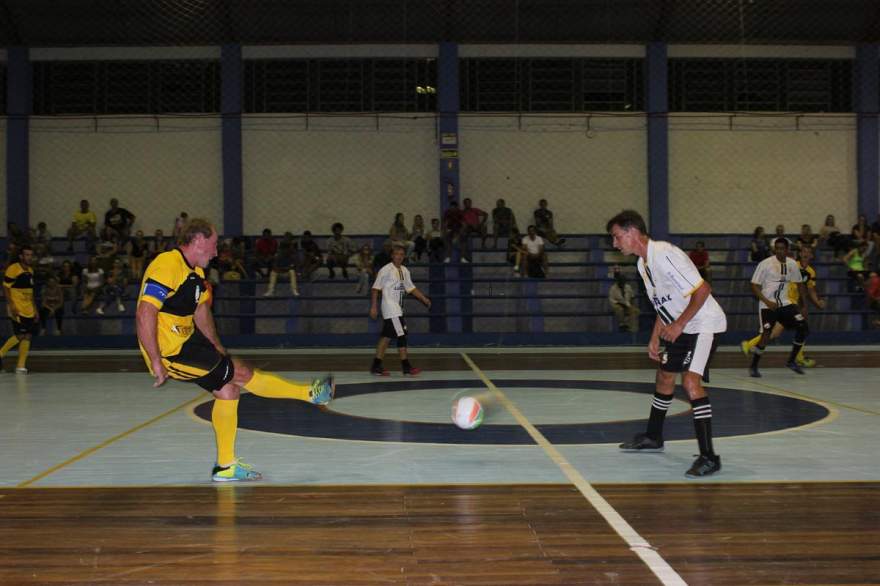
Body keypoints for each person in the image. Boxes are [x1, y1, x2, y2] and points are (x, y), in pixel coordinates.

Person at [136, 218, 335, 482]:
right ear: (197, 241)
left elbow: (201, 311)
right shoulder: (166, 265)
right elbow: (144, 312)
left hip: (188, 340)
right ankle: (310, 394)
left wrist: (217, 347)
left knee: (228, 390)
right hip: (170, 350)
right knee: (240, 373)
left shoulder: (197, 273)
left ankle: (226, 466)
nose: (217, 251)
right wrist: (156, 360)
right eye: (214, 244)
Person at [606, 210, 726, 478]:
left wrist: (679, 325)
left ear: (632, 232)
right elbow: (664, 304)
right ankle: (653, 436)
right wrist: (655, 335)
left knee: (691, 383)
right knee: (664, 376)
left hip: (704, 324)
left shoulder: (665, 254)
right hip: (682, 325)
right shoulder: (642, 264)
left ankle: (709, 457)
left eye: (616, 237)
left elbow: (703, 290)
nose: (615, 244)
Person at [741, 245, 825, 368]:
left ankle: (749, 345)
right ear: (800, 254)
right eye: (804, 251)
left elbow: (810, 289)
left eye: (809, 252)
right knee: (795, 329)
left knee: (782, 331)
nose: (806, 254)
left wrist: (817, 302)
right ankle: (798, 358)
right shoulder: (791, 265)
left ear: (812, 255)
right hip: (785, 303)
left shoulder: (811, 271)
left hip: (793, 303)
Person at [744, 238, 809, 377]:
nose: (780, 251)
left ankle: (791, 361)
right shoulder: (765, 264)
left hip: (785, 303)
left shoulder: (792, 264)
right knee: (766, 336)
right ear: (774, 249)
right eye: (777, 248)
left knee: (803, 327)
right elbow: (754, 285)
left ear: (787, 250)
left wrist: (804, 305)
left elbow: (800, 284)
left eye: (782, 248)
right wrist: (767, 301)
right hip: (768, 305)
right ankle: (753, 366)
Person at [369, 245, 431, 377]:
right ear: (392, 255)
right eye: (397, 254)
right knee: (401, 335)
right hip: (391, 308)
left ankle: (376, 365)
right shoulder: (385, 270)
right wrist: (374, 306)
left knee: (386, 337)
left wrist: (424, 298)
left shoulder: (405, 270)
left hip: (398, 308)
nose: (399, 256)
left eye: (402, 254)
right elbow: (375, 288)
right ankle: (406, 366)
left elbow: (411, 288)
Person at [1, 245, 37, 373]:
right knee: (20, 335)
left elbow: (30, 292)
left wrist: (35, 309)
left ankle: (20, 366)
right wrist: (11, 305)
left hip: (29, 309)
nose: (29, 257)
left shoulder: (31, 271)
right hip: (16, 307)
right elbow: (5, 287)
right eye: (26, 254)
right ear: (21, 256)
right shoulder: (13, 268)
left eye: (30, 255)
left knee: (28, 336)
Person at [264, 232, 299, 297]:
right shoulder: (278, 256)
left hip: (286, 273)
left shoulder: (292, 256)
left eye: (286, 248)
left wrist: (284, 269)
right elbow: (274, 267)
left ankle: (294, 290)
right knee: (273, 272)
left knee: (292, 272)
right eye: (283, 248)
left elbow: (292, 267)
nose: (285, 250)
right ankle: (270, 291)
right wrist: (279, 269)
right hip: (280, 273)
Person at [608, 267, 638, 332]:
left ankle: (632, 329)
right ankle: (622, 324)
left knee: (634, 311)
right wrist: (620, 304)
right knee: (620, 309)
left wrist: (632, 305)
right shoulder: (613, 288)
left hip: (627, 304)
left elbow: (632, 297)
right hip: (617, 305)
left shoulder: (628, 287)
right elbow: (611, 300)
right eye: (620, 281)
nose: (622, 282)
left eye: (623, 281)